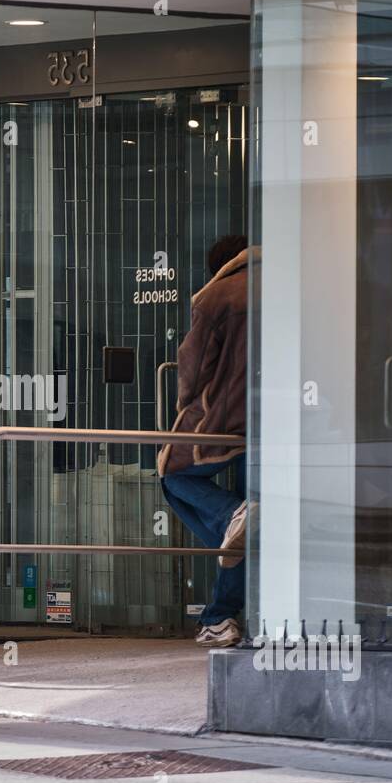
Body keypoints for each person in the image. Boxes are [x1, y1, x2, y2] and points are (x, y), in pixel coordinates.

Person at [158, 235, 256, 648]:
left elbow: (192, 369)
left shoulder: (217, 295)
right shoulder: (295, 287)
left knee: (173, 474)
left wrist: (188, 407)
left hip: (227, 424)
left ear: (220, 264)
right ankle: (220, 615)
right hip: (287, 424)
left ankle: (231, 518)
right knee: (249, 525)